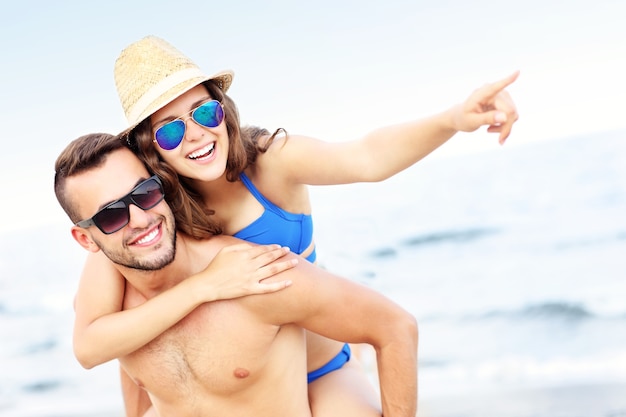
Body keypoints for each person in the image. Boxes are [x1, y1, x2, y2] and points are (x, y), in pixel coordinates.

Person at [75, 35, 518, 415]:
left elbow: (367, 157)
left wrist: (453, 120)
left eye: (204, 113)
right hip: (239, 382)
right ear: (150, 149)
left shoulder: (270, 162)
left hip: (320, 364)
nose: (195, 135)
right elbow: (120, 329)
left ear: (222, 109)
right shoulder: (151, 212)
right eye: (170, 131)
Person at [54, 132, 418, 417]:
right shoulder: (111, 303)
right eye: (110, 216)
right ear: (87, 239)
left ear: (161, 185)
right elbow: (105, 358)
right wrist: (202, 288)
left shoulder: (255, 274)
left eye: (145, 193)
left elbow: (396, 328)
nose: (139, 219)